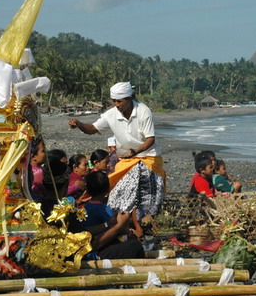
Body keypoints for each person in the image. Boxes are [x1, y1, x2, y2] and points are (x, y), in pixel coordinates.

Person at [68, 82, 164, 222]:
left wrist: (136, 151)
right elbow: (93, 128)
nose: (117, 104)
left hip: (147, 157)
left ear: (129, 98)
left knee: (149, 194)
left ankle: (145, 222)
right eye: (114, 101)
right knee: (120, 191)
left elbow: (150, 139)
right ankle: (121, 221)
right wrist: (80, 124)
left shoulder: (143, 111)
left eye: (119, 101)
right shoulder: (111, 114)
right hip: (126, 159)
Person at [81, 171, 144, 259]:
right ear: (107, 191)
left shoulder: (85, 208)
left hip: (89, 248)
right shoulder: (104, 210)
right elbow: (119, 229)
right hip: (98, 251)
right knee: (135, 245)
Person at [29, 137, 46, 201]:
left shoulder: (26, 169)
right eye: (43, 151)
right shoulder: (38, 172)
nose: (45, 154)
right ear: (33, 157)